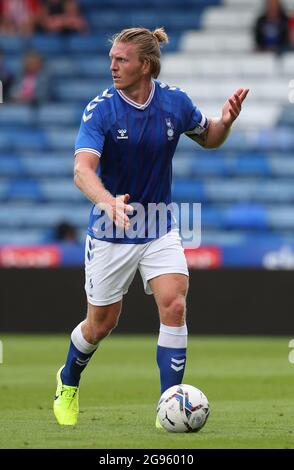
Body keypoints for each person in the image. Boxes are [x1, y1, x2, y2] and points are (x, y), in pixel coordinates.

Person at [53, 26, 249, 426]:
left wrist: (226, 121)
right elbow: (81, 170)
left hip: (159, 225)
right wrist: (107, 202)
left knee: (174, 303)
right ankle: (68, 378)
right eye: (111, 59)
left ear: (145, 65)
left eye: (121, 60)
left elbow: (208, 136)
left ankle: (168, 407)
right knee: (101, 324)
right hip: (112, 229)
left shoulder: (175, 103)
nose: (112, 66)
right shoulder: (101, 109)